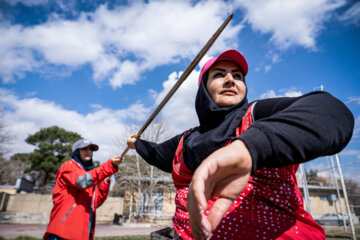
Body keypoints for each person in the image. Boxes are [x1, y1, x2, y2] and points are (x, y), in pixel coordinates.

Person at [127, 49, 354, 240]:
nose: (230, 80)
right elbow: (155, 153)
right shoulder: (186, 140)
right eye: (219, 74)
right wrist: (135, 143)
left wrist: (249, 148)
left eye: (237, 76)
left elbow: (332, 113)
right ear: (203, 89)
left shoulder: (255, 116)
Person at [43, 139, 122, 240]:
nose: (88, 151)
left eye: (90, 149)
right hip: (63, 232)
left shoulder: (87, 174)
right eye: (84, 148)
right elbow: (82, 181)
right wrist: (108, 166)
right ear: (76, 151)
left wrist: (105, 181)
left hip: (82, 233)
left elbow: (95, 202)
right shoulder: (69, 166)